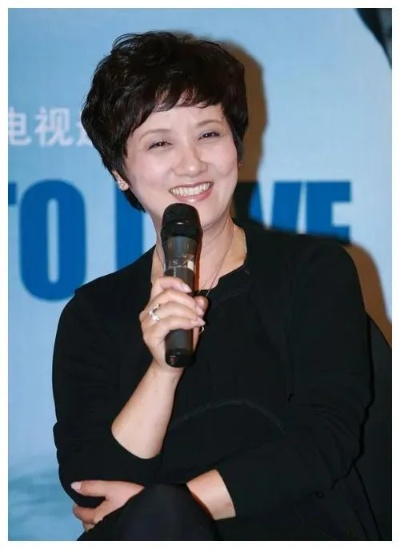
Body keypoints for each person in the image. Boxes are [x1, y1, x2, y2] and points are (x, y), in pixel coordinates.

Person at [52, 31, 379, 540]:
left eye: (208, 134)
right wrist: (162, 372)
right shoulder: (94, 313)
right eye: (160, 143)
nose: (191, 163)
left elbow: (324, 440)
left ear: (236, 146)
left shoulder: (312, 271)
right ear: (119, 171)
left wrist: (175, 507)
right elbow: (95, 489)